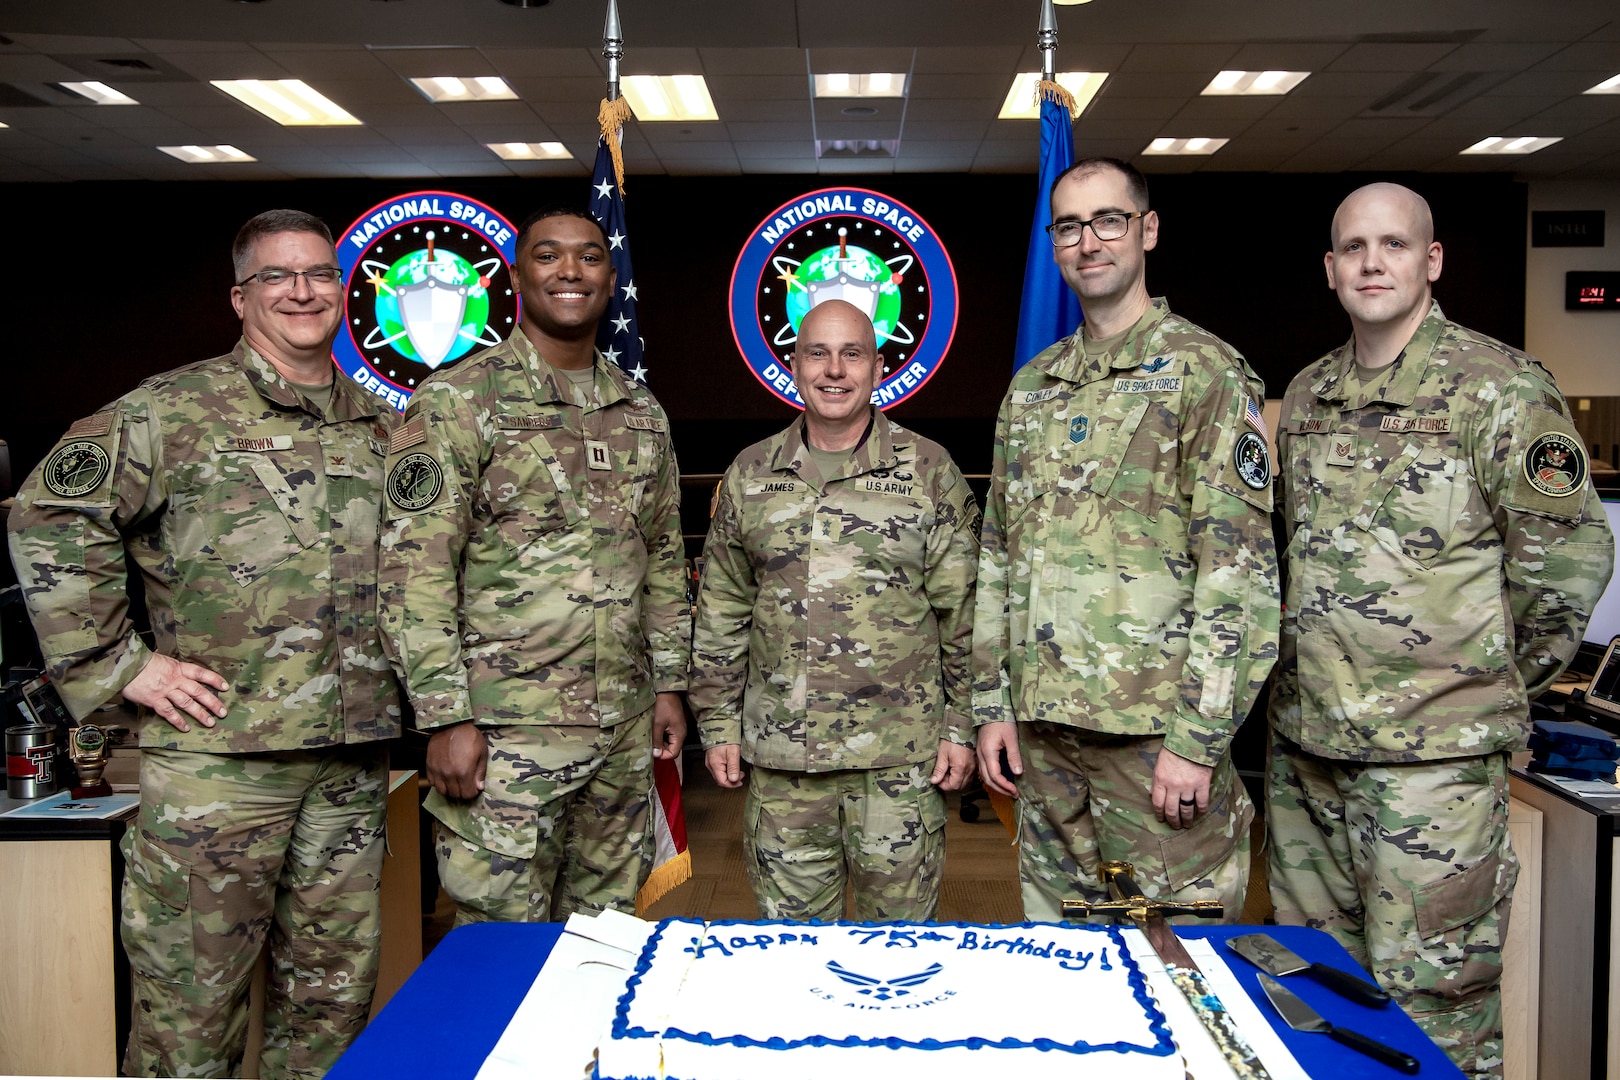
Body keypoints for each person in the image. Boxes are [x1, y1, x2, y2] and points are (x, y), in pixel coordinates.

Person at [8, 209, 401, 1079]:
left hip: (349, 763)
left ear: (342, 292)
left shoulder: (378, 425)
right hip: (217, 768)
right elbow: (48, 518)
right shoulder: (170, 410)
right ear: (239, 297)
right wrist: (121, 665)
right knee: (191, 1010)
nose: (301, 290)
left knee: (333, 1004)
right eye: (276, 276)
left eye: (319, 273)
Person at [1267, 181, 1615, 1079]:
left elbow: (1567, 563)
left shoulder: (1496, 389)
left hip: (1433, 772)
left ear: (1432, 262)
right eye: (1353, 246)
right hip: (1310, 757)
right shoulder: (1308, 394)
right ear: (1331, 269)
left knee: (1435, 1006)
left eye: (1392, 244)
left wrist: (1489, 690)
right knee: (1316, 1001)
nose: (1371, 262)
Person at [972, 158, 1279, 923]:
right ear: (1055, 244)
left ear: (1147, 230)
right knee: (1063, 972)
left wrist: (1199, 740)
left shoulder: (1204, 373)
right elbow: (1000, 557)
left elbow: (1237, 575)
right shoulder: (1034, 387)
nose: (1089, 242)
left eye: (1108, 220)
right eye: (1070, 227)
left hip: (1153, 745)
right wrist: (992, 705)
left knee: (1179, 970)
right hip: (1046, 743)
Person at [378, 207, 688, 925]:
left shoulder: (640, 411)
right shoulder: (456, 400)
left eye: (587, 257)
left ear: (611, 280)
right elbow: (412, 573)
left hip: (620, 732)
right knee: (496, 951)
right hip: (504, 739)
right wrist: (444, 716)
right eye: (549, 256)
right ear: (519, 276)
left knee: (605, 945)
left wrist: (670, 683)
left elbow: (664, 559)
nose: (570, 271)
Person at [689, 299, 979, 920]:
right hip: (783, 765)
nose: (834, 370)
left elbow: (966, 616)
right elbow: (721, 611)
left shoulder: (929, 471)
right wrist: (716, 723)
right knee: (789, 961)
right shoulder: (749, 473)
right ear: (794, 365)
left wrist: (962, 727)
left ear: (878, 368)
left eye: (852, 354)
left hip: (899, 765)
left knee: (898, 960)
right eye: (818, 353)